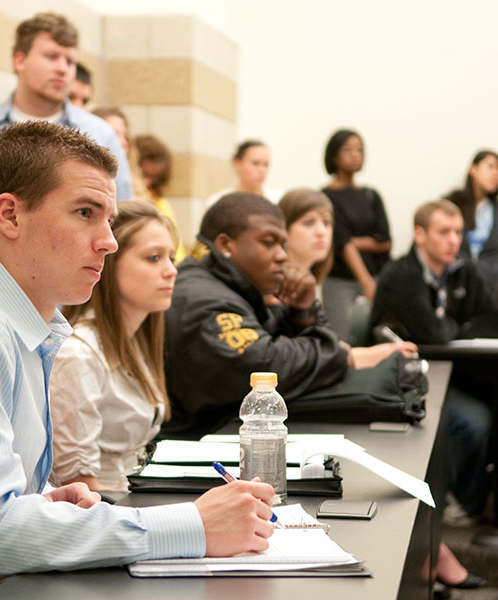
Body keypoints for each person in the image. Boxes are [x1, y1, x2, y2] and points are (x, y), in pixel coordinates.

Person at [0, 121, 275, 599]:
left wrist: (41, 504)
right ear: (9, 215)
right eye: (85, 213)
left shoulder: (14, 324)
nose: (108, 241)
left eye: (108, 219)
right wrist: (192, 524)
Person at [370, 199, 494, 591]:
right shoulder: (400, 275)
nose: (453, 241)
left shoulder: (463, 271)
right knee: (471, 423)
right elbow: (434, 334)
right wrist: (458, 325)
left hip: (455, 371)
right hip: (405, 381)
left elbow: (488, 319)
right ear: (420, 235)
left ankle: (469, 505)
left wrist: (452, 325)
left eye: (458, 232)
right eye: (444, 232)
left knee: (488, 412)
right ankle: (455, 507)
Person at [163, 192, 350, 439]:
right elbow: (265, 367)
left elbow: (278, 342)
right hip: (182, 449)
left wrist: (303, 311)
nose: (282, 255)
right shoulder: (203, 298)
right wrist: (332, 351)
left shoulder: (228, 285)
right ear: (226, 245)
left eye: (283, 244)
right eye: (268, 241)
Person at [50, 201, 178, 491]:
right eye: (154, 258)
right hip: (105, 510)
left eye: (171, 258)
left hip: (133, 496)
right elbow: (79, 486)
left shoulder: (136, 339)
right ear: (109, 263)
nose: (171, 271)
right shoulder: (78, 354)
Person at [0, 12, 133, 201]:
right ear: (20, 60)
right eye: (52, 56)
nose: (63, 69)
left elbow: (123, 216)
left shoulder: (100, 135)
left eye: (70, 61)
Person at [279, 188, 416, 367]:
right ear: (283, 228)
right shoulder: (278, 283)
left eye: (327, 223)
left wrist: (380, 353)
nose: (321, 231)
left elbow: (328, 347)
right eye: (309, 222)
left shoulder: (311, 281)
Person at [321, 129, 391, 341]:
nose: (354, 155)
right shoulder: (326, 196)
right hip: (340, 281)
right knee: (341, 340)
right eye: (347, 150)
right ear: (333, 155)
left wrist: (353, 241)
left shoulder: (371, 195)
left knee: (377, 336)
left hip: (377, 276)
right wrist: (366, 281)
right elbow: (341, 244)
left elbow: (385, 242)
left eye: (359, 150)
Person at [446, 149, 498, 300]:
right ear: (473, 169)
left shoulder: (495, 211)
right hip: (454, 284)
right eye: (490, 166)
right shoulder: (451, 204)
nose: (495, 174)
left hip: (490, 289)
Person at [135, 133, 186, 261]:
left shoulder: (162, 203)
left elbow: (177, 249)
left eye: (154, 177)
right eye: (144, 175)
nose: (148, 182)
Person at [207, 139, 282, 206]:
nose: (262, 170)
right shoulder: (217, 202)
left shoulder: (279, 200)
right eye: (255, 163)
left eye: (266, 165)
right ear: (237, 163)